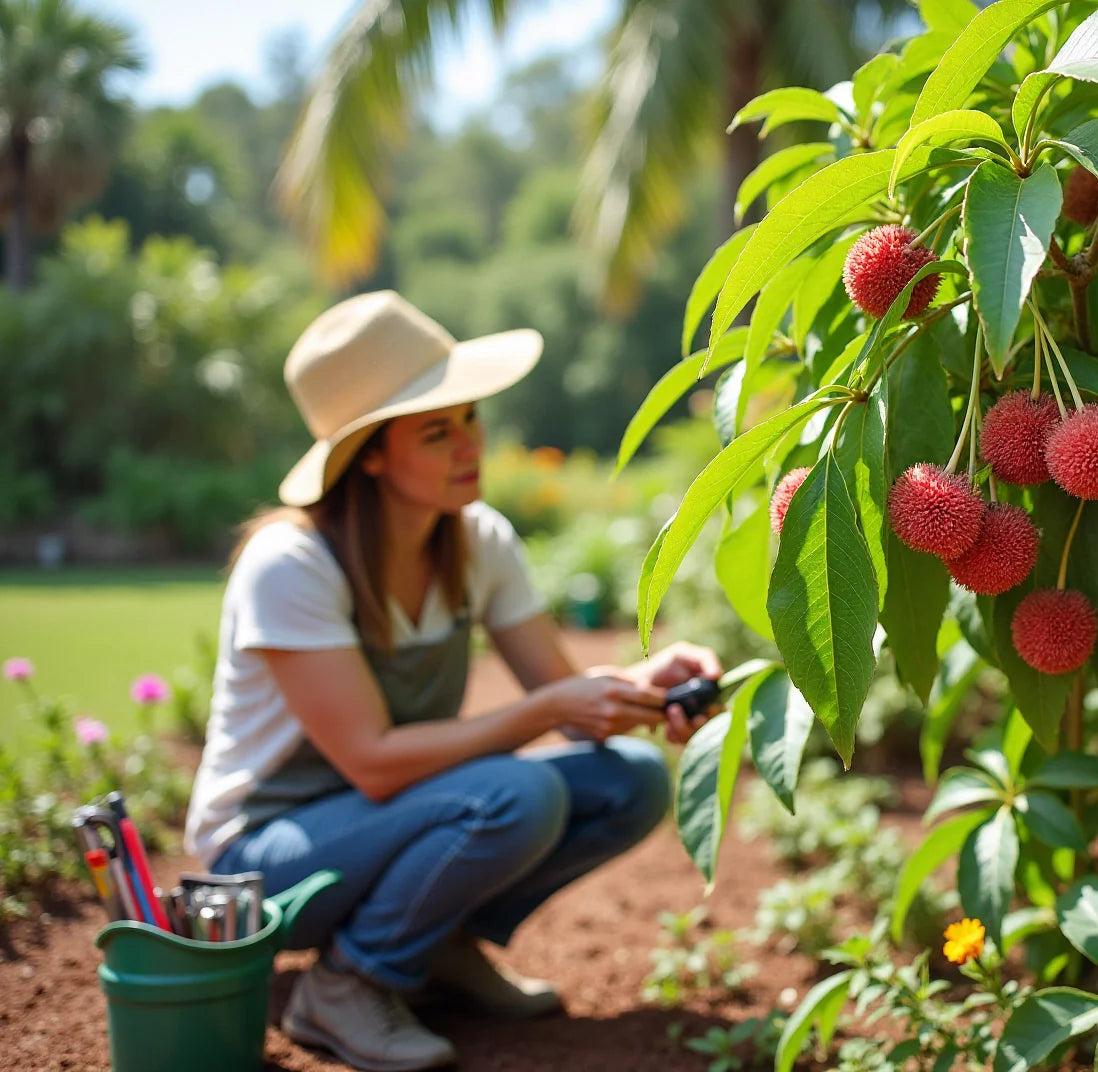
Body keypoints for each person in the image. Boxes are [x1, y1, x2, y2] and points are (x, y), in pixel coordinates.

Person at [183, 291, 722, 1072]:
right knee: (517, 794)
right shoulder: (293, 565)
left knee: (630, 780)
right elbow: (371, 760)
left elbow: (570, 708)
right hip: (260, 864)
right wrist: (545, 710)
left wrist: (648, 683)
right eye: (437, 431)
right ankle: (347, 983)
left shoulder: (478, 542)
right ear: (369, 453)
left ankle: (431, 948)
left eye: (468, 418)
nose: (470, 444)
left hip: (381, 826)